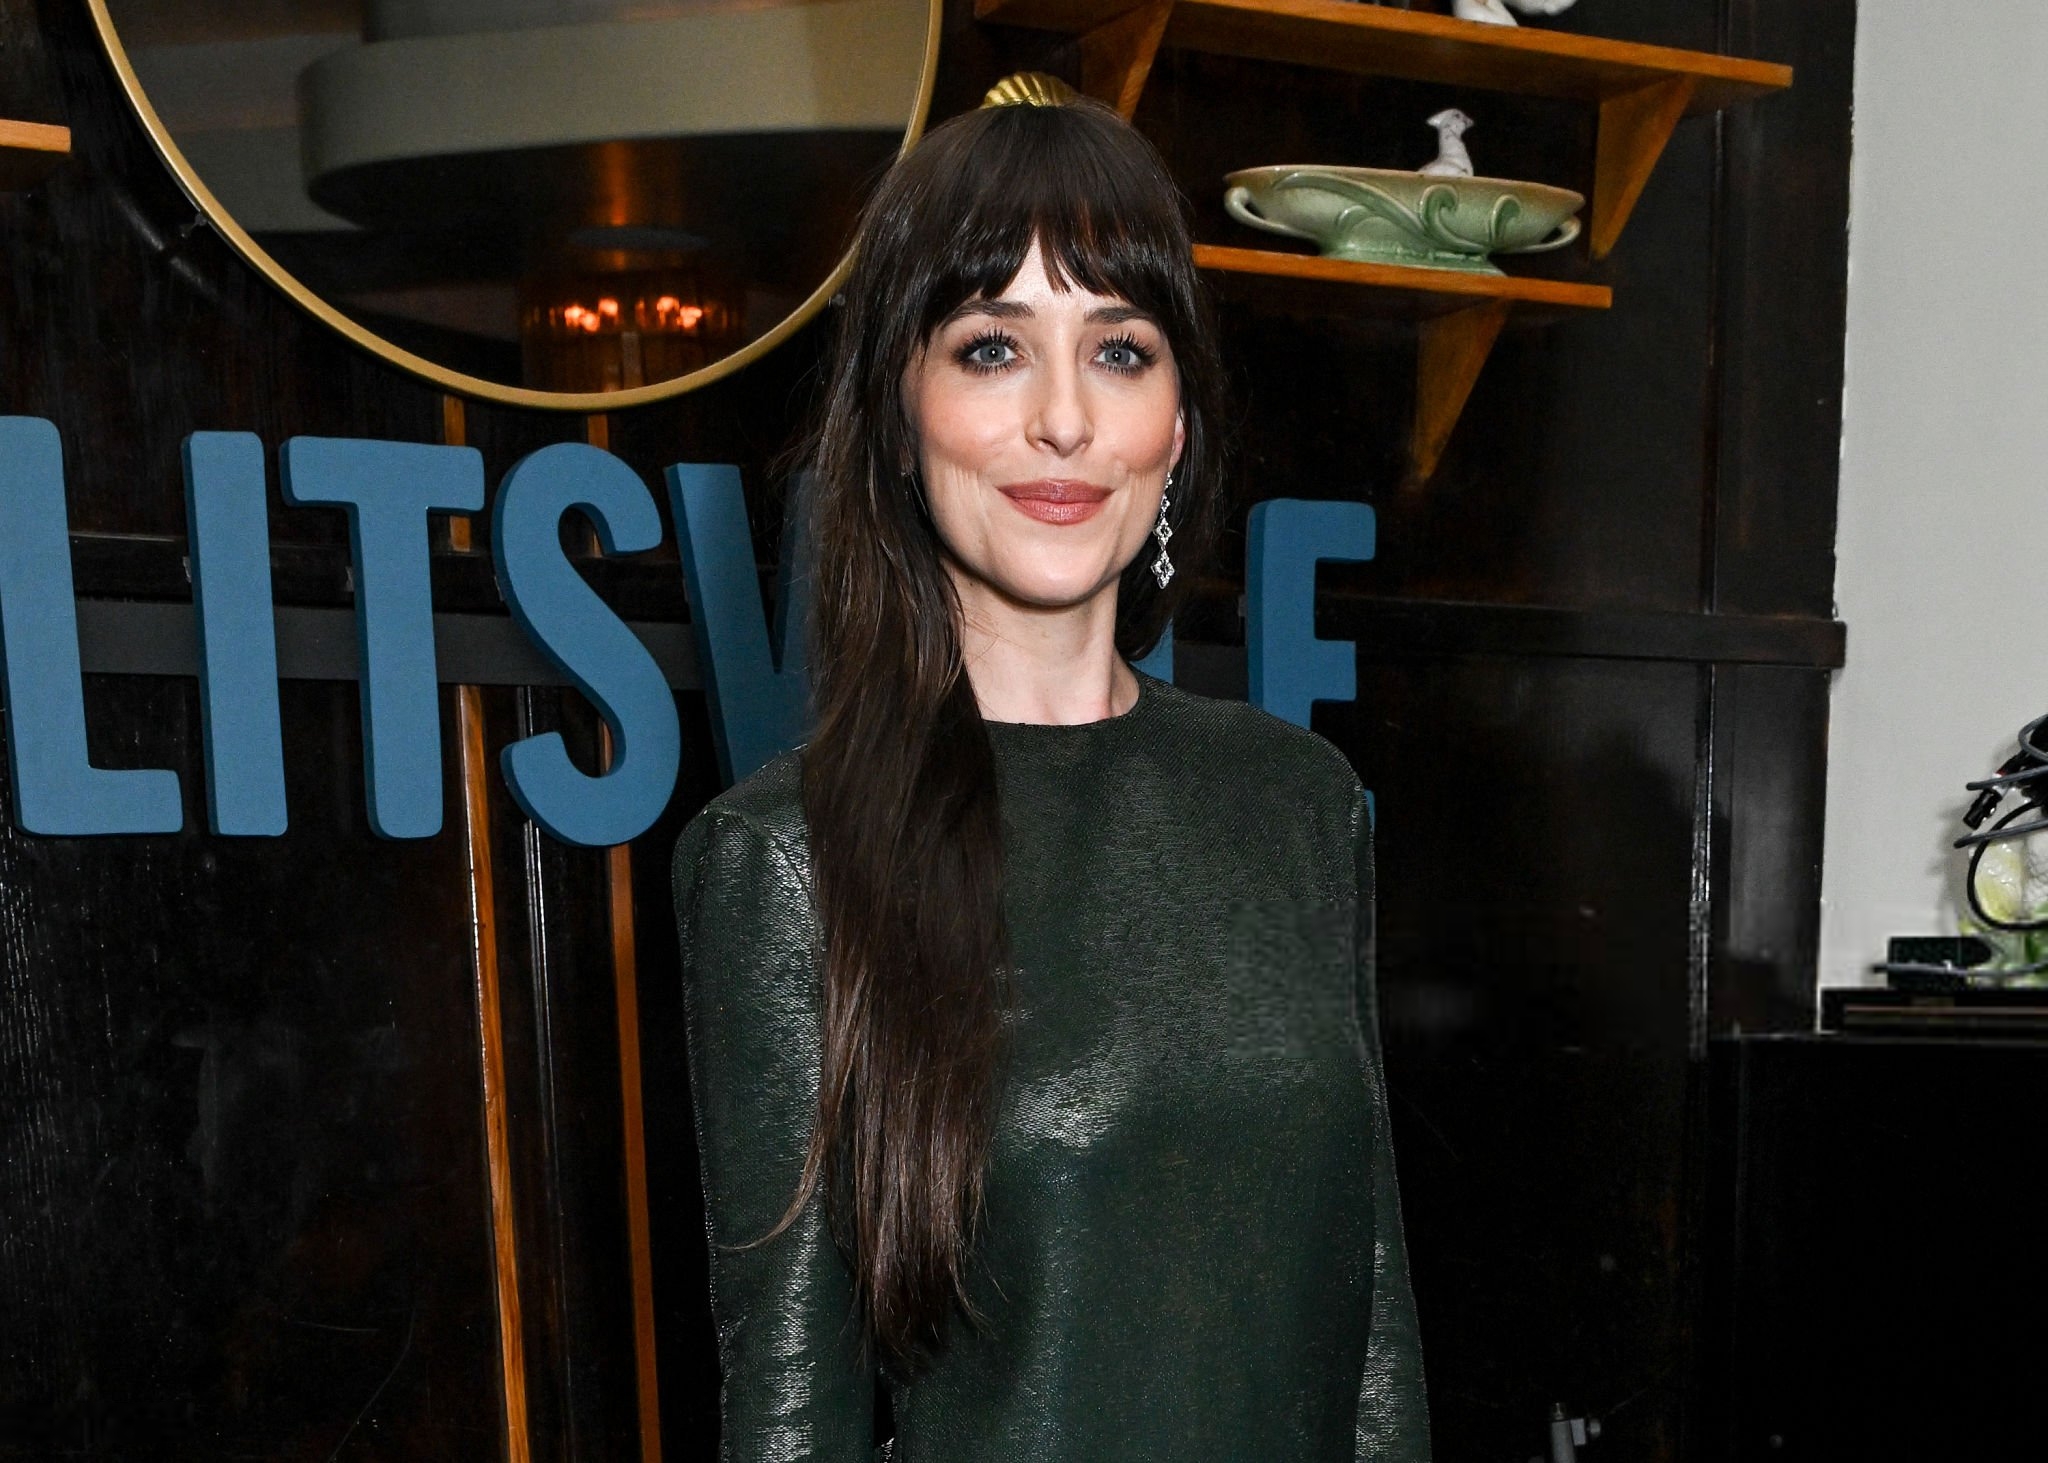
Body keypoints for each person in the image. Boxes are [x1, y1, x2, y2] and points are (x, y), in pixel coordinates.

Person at [671, 79, 1430, 1462]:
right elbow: (790, 1415)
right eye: (992, 349)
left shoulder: (1297, 801)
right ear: (898, 413)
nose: (1066, 420)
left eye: (1121, 350)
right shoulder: (786, 858)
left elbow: (1373, 1332)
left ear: (1177, 424)